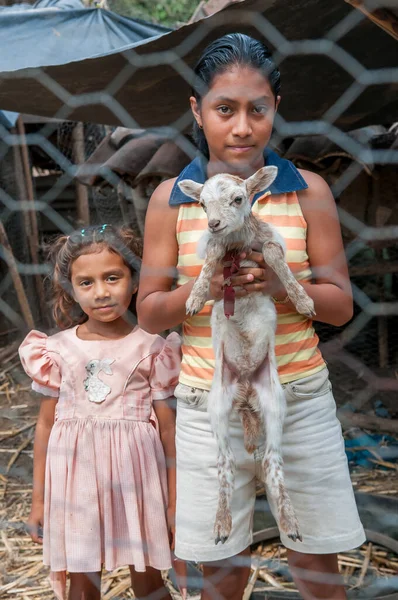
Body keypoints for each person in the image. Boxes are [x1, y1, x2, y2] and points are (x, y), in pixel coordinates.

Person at [137, 33, 365, 600]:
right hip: (206, 401)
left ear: (275, 111)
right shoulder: (172, 199)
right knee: (220, 570)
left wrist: (281, 286)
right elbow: (147, 314)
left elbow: (339, 304)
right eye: (224, 109)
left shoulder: (306, 192)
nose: (242, 127)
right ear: (196, 110)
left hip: (298, 396)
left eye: (256, 110)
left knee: (316, 568)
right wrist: (205, 284)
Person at [19, 224, 182, 600]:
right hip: (75, 481)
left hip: (137, 480)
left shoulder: (153, 347)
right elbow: (45, 427)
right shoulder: (55, 350)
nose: (102, 292)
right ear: (71, 290)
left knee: (148, 578)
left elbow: (169, 432)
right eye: (86, 283)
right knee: (83, 582)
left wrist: (174, 502)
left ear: (135, 280)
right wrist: (39, 501)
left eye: (113, 277)